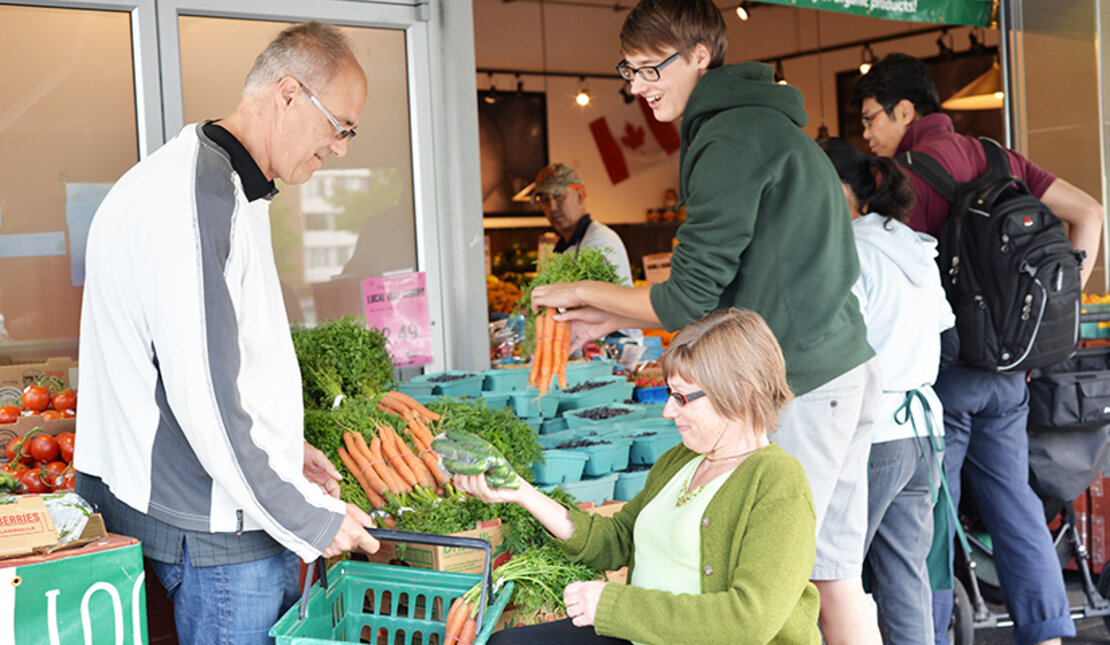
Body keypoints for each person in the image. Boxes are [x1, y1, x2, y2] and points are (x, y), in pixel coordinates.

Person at [529, 2, 882, 641]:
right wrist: (602, 316)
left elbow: (690, 296)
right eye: (628, 71)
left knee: (774, 596)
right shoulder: (759, 124)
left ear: (700, 56)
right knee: (833, 576)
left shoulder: (730, 136)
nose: (637, 87)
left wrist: (582, 289)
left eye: (650, 68)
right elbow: (724, 286)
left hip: (791, 383)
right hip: (838, 369)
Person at [74, 21, 380, 645]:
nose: (341, 147)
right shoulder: (193, 197)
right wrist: (310, 518)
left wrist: (282, 448)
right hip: (216, 530)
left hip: (223, 511)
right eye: (340, 126)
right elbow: (202, 393)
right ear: (289, 93)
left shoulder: (231, 184)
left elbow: (215, 358)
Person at [852, 52, 1104, 645]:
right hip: (1012, 376)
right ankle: (1047, 633)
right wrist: (1055, 311)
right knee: (1016, 506)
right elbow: (1091, 213)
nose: (866, 134)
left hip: (948, 376)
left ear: (905, 111)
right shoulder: (997, 155)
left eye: (870, 119)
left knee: (933, 518)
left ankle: (933, 634)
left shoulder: (905, 180)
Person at [459, 308, 820, 645]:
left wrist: (613, 607)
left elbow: (749, 619)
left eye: (681, 398)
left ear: (741, 393)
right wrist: (520, 492)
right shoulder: (681, 460)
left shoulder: (777, 481)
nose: (667, 411)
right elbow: (616, 539)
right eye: (668, 394)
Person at [820, 137, 955, 645]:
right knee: (906, 572)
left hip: (875, 432)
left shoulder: (847, 250)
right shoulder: (914, 244)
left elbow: (839, 347)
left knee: (834, 572)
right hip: (924, 431)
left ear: (837, 190)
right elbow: (946, 329)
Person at [529, 163, 634, 287]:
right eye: (545, 200)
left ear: (580, 195)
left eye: (559, 196)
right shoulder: (565, 246)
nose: (552, 207)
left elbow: (591, 300)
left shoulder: (600, 241)